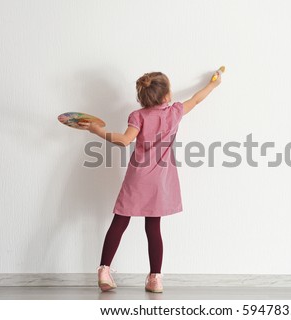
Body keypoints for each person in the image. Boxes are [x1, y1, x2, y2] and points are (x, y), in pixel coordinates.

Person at [79, 70, 222, 293]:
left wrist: (98, 131)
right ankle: (155, 279)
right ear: (166, 96)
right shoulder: (175, 112)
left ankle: (104, 270)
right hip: (161, 182)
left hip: (137, 178)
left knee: (120, 222)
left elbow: (125, 140)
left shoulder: (138, 116)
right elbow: (196, 99)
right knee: (153, 227)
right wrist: (213, 85)